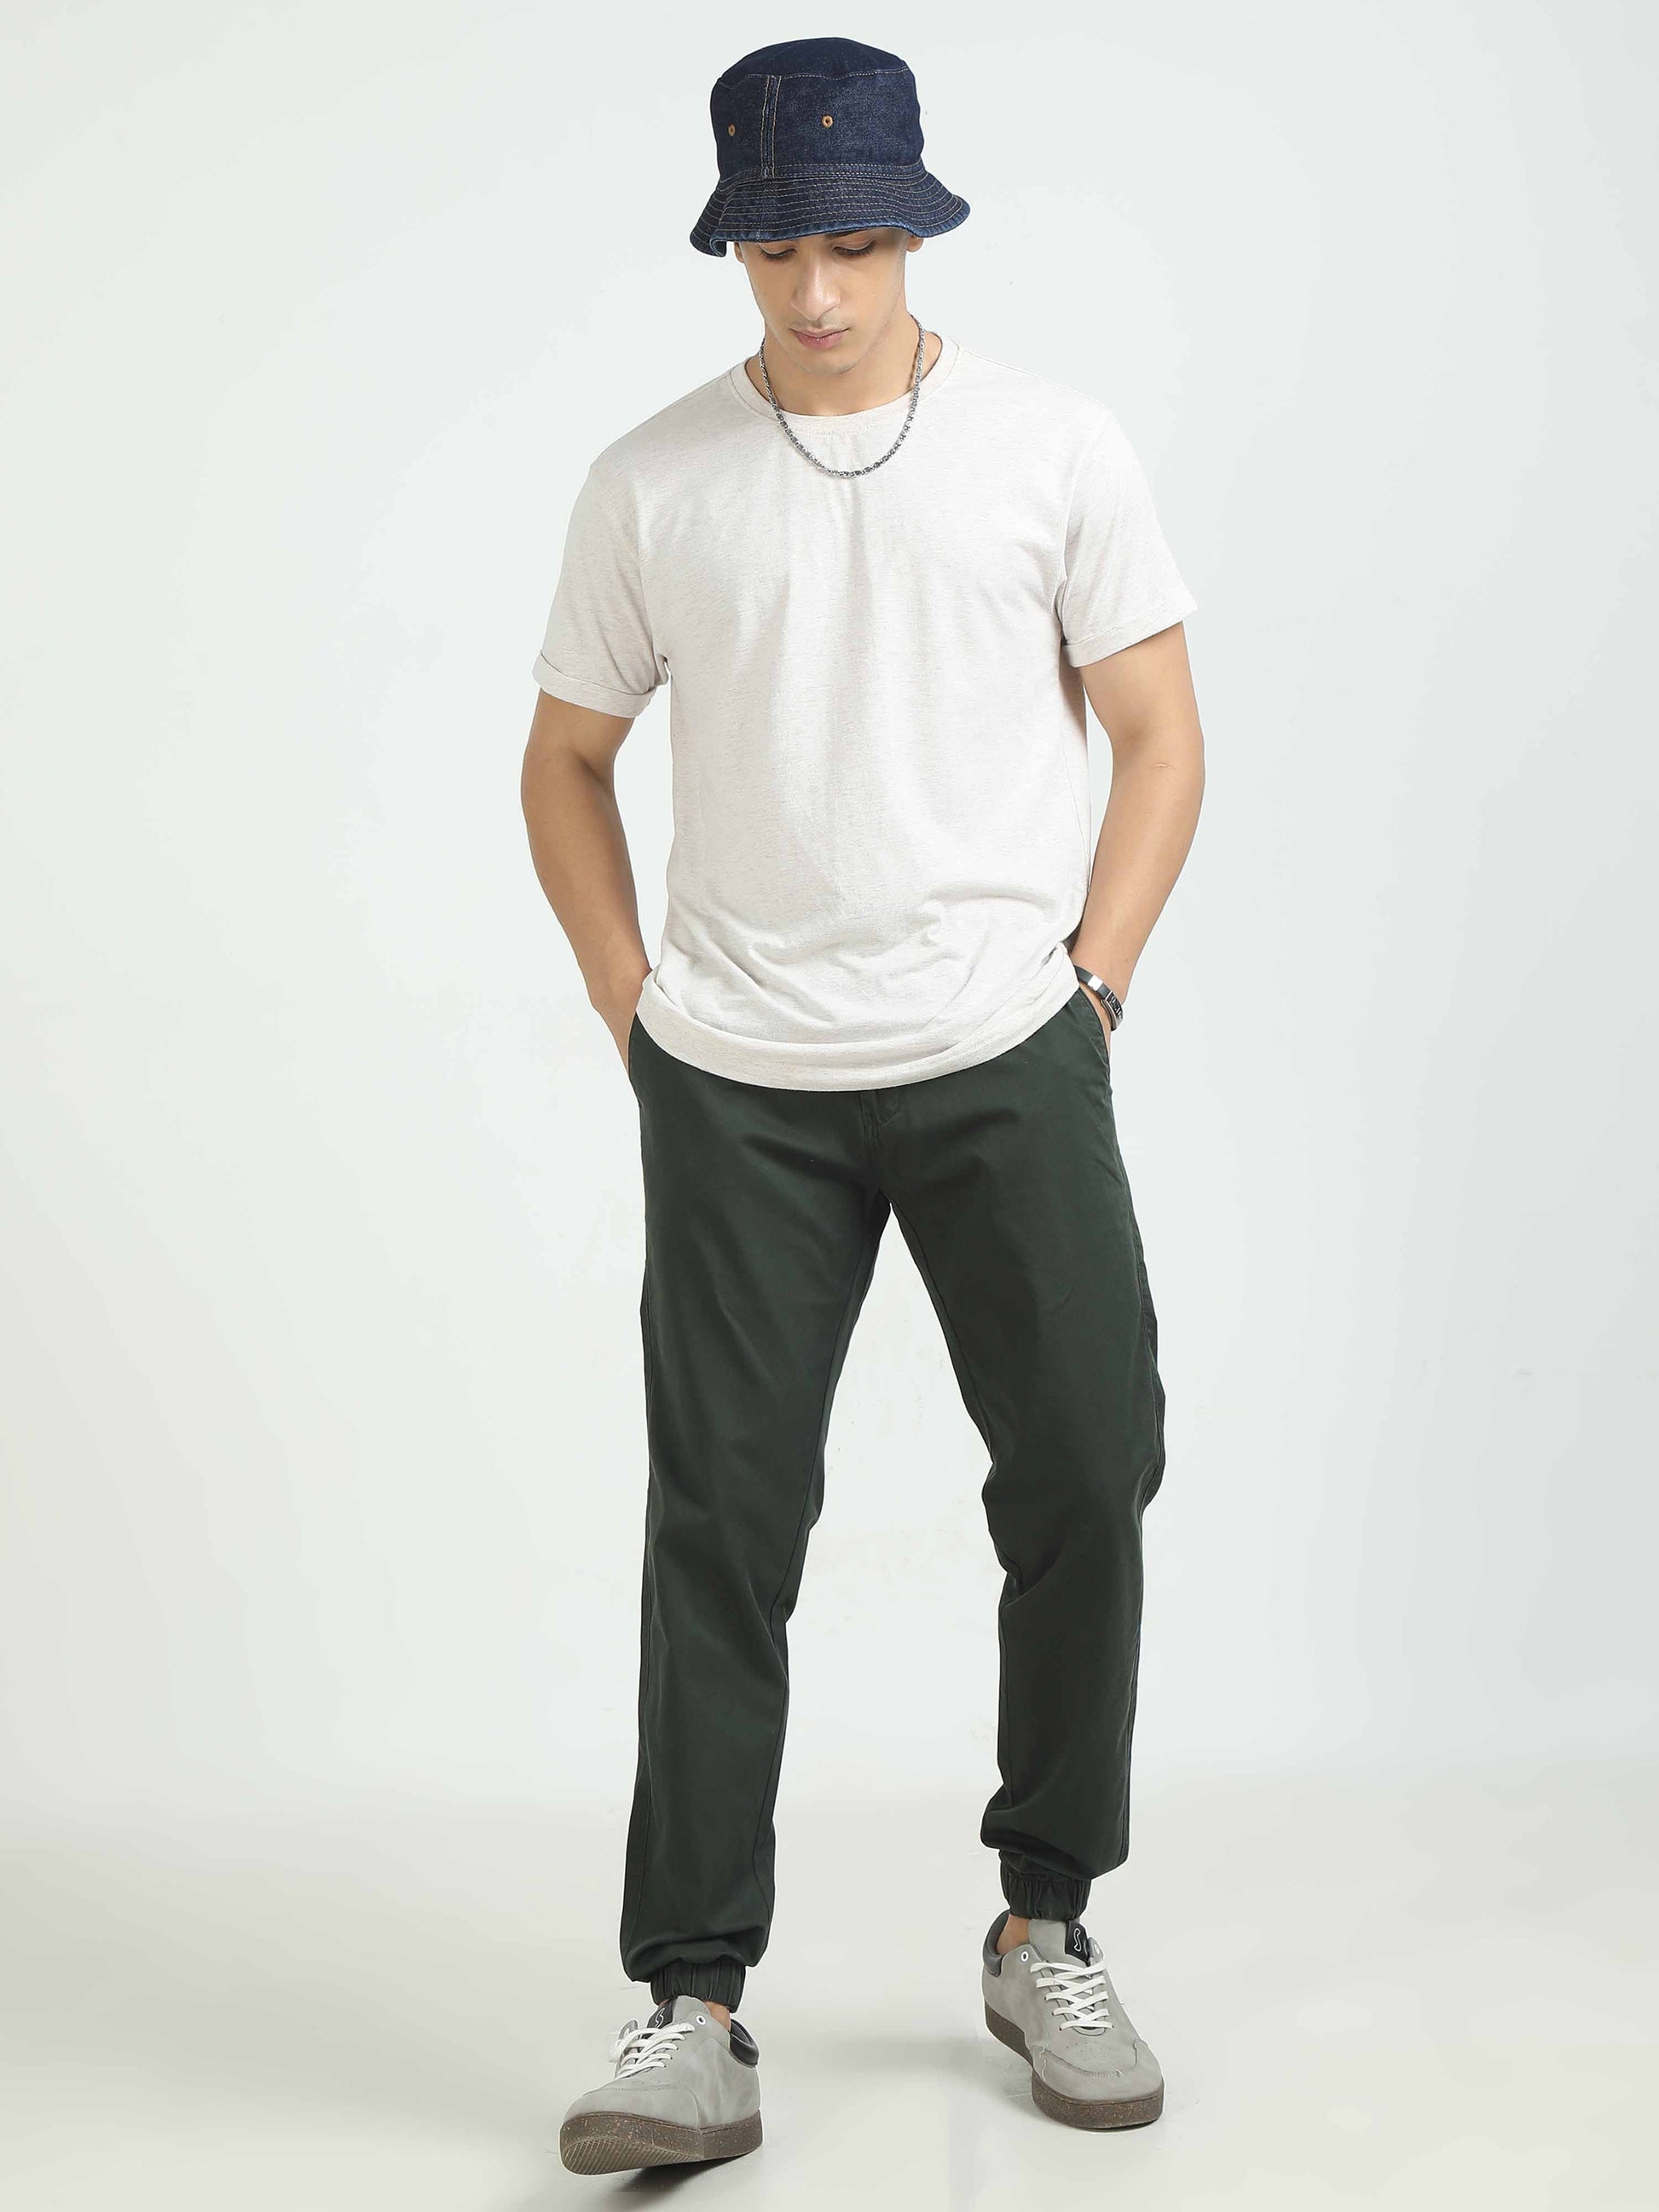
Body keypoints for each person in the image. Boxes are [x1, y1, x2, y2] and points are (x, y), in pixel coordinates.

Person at [520, 35, 1205, 2177]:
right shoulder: (653, 482)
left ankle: (1043, 1918)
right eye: (775, 250)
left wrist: (1094, 985)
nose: (816, 292)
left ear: (912, 226)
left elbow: (1160, 730)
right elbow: (563, 758)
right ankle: (690, 2004)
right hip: (740, 1083)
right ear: (730, 248)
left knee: (1087, 1461)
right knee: (721, 1525)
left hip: (1004, 1050)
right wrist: (634, 1007)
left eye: (851, 241)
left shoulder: (1049, 445)